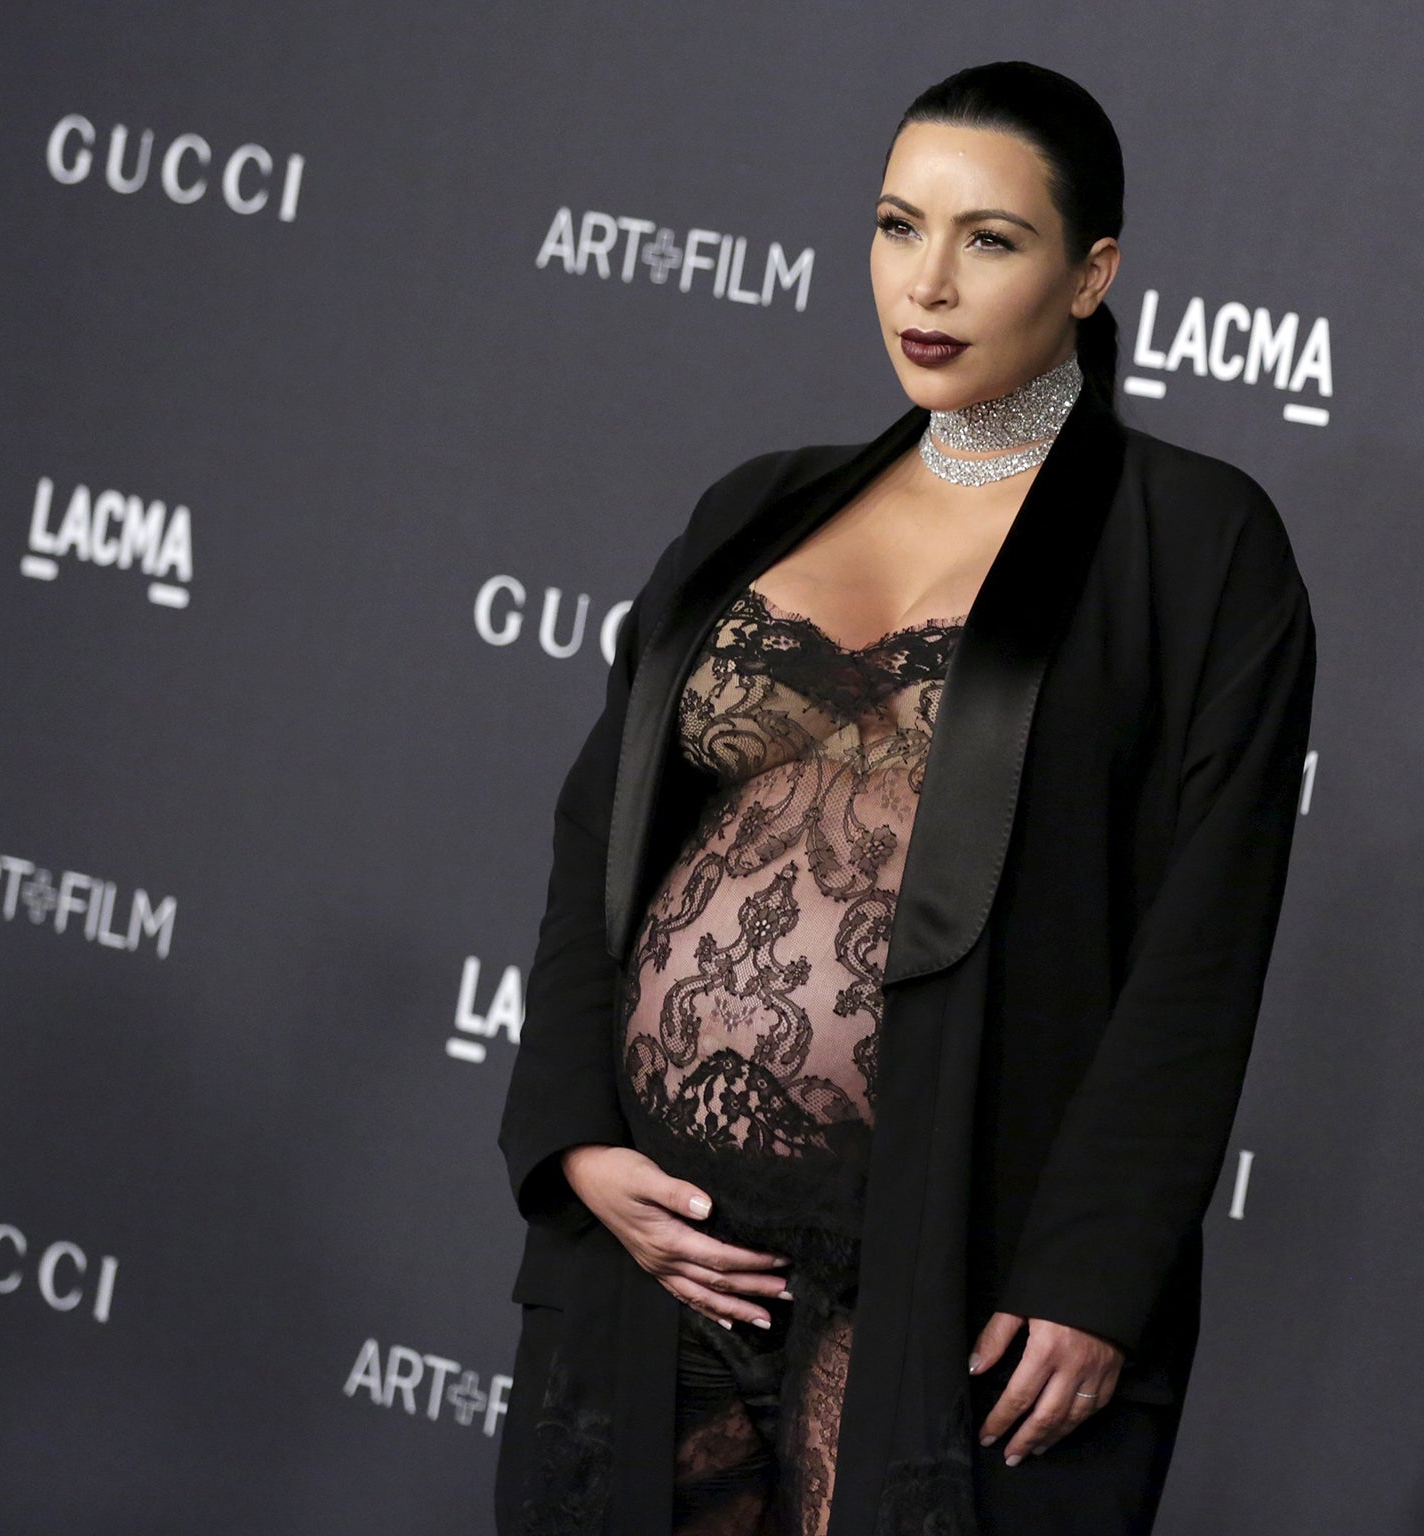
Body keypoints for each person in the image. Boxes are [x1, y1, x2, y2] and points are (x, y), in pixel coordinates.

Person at [495, 59, 1316, 1536]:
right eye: (895, 225)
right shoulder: (758, 502)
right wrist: (572, 1139)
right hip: (663, 1248)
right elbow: (595, 846)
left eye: (989, 240)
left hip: (950, 1263)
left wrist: (1094, 1273)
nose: (925, 283)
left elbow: (1203, 944)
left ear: (1092, 273)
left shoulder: (1192, 544)